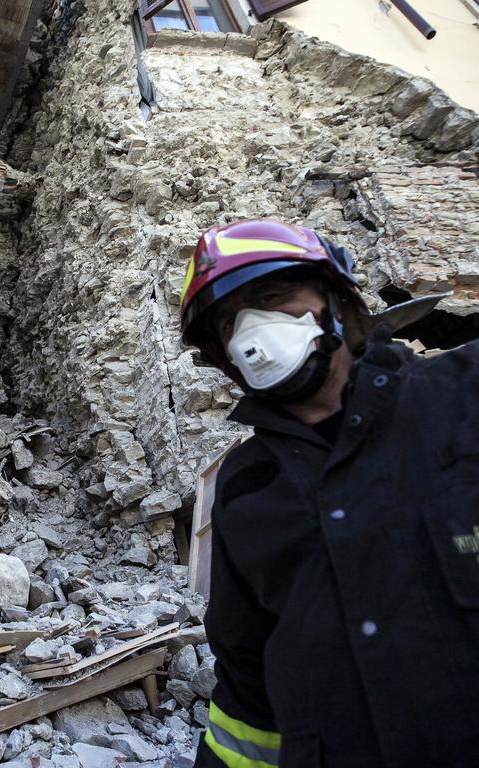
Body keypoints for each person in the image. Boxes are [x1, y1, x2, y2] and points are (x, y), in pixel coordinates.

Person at [178, 219, 479, 768]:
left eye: (271, 297)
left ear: (337, 301)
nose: (252, 330)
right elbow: (248, 691)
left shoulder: (463, 396)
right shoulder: (246, 490)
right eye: (229, 322)